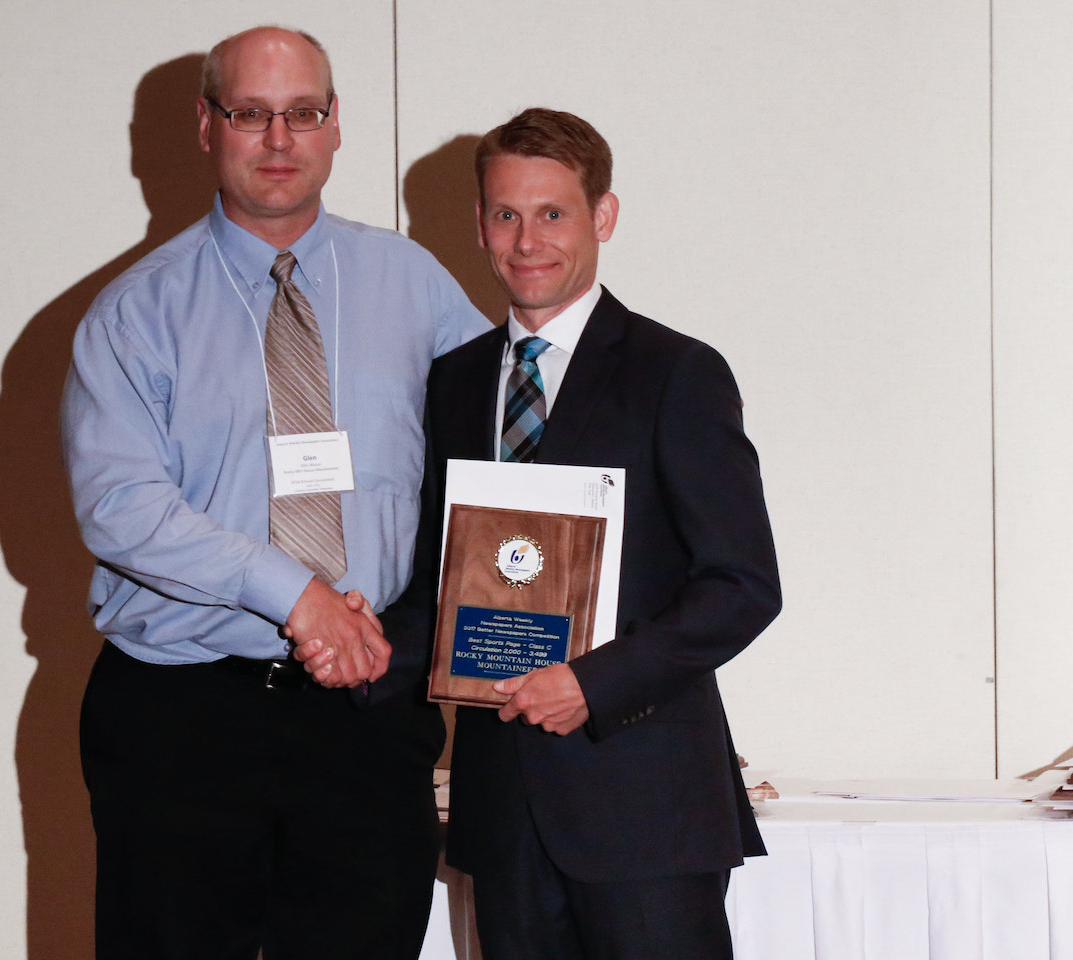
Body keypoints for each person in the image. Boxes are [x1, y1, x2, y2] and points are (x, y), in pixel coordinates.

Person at [60, 26, 488, 960]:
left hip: (367, 719)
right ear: (206, 125)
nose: (280, 139)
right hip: (184, 716)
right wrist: (296, 594)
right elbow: (121, 505)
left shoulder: (414, 285)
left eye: (303, 113)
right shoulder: (135, 312)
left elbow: (493, 451)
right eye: (252, 114)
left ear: (336, 124)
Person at [414, 108, 781, 959]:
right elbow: (439, 575)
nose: (527, 240)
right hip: (503, 813)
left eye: (553, 213)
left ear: (603, 217)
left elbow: (742, 587)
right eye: (506, 214)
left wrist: (593, 683)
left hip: (646, 808)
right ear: (479, 225)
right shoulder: (452, 383)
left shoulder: (677, 373)